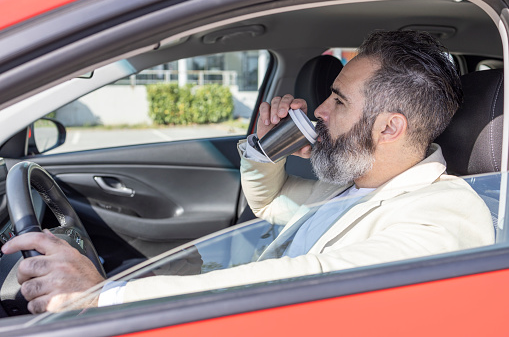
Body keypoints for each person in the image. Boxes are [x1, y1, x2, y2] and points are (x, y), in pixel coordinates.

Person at [1, 30, 495, 313]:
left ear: (389, 128)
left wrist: (104, 297)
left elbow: (307, 281)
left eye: (338, 100)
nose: (319, 111)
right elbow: (273, 204)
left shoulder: (442, 214)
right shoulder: (359, 184)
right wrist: (264, 148)